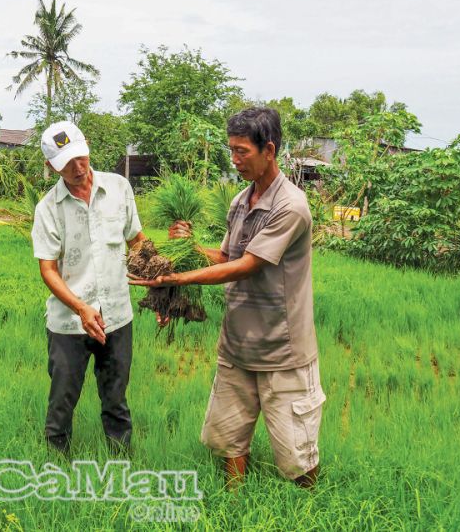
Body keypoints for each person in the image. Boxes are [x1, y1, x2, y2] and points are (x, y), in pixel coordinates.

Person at [130, 107, 324, 487]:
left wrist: (179, 275)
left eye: (242, 152)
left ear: (269, 150)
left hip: (281, 352)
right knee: (229, 440)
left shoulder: (291, 206)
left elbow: (248, 265)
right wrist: (191, 247)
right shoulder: (240, 202)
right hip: (236, 346)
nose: (234, 160)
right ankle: (233, 504)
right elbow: (226, 257)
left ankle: (310, 509)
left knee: (296, 456)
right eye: (231, 151)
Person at [31, 120, 148, 455]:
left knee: (116, 399)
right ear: (50, 166)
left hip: (117, 316)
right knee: (62, 402)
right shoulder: (48, 210)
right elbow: (48, 270)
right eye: (66, 163)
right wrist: (81, 308)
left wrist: (163, 278)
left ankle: (121, 462)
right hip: (70, 323)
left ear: (87, 147)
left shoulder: (119, 189)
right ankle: (55, 466)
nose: (78, 167)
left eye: (80, 156)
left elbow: (136, 242)